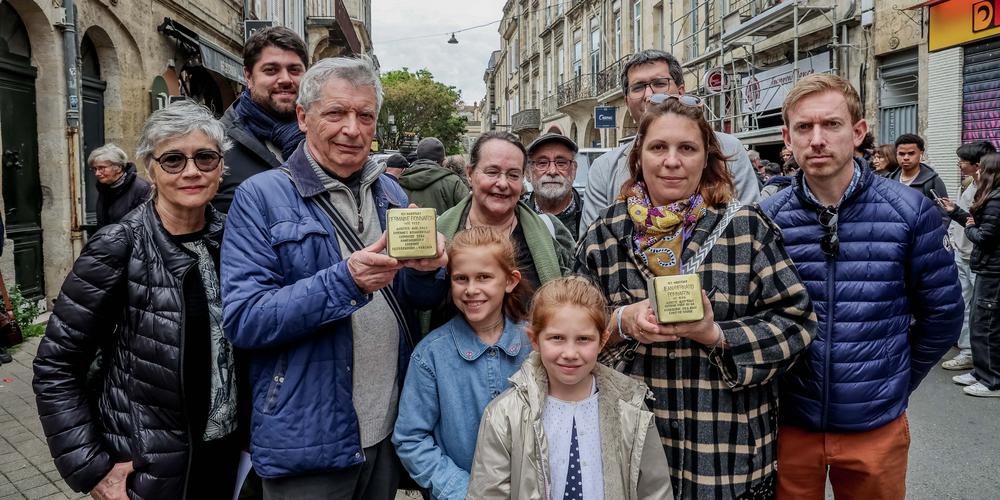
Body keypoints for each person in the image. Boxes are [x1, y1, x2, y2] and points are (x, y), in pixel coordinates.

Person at [221, 55, 448, 499]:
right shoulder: (261, 196)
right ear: (304, 117)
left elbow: (411, 300)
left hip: (384, 427)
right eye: (336, 113)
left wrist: (428, 272)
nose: (353, 129)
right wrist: (346, 281)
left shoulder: (391, 193)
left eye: (365, 116)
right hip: (307, 437)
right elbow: (245, 319)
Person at [576, 95, 815, 499]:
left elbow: (796, 323)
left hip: (724, 454)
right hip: (630, 450)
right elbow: (569, 328)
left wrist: (716, 335)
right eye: (658, 147)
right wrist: (621, 322)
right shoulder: (605, 234)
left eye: (687, 148)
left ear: (706, 158)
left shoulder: (745, 229)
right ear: (639, 157)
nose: (672, 161)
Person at [760, 74, 963, 499]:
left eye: (831, 125)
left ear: (857, 132)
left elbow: (942, 315)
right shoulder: (765, 218)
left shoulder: (909, 211)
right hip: (789, 422)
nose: (817, 139)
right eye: (804, 127)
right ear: (787, 138)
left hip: (876, 426)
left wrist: (897, 379)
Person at [34, 102, 243, 499]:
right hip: (150, 467)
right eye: (173, 159)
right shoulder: (119, 245)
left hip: (227, 458)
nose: (192, 171)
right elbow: (56, 365)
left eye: (205, 157)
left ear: (220, 166)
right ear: (150, 168)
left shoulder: (233, 238)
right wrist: (91, 468)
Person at [467, 277, 673, 499]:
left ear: (602, 340)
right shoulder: (505, 414)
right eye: (557, 338)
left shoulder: (631, 409)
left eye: (583, 339)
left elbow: (655, 492)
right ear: (534, 339)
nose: (570, 353)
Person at [393, 226, 533, 499]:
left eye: (484, 277)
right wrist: (463, 491)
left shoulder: (534, 346)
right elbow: (411, 439)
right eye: (461, 279)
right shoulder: (431, 356)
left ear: (510, 281)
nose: (471, 289)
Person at [580, 49, 760, 238]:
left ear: (681, 92)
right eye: (638, 87)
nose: (648, 95)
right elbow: (593, 247)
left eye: (659, 83)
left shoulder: (729, 149)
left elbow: (748, 230)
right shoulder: (604, 168)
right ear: (626, 101)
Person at [438, 131, 574, 293]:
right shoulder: (440, 234)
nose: (502, 183)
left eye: (513, 175)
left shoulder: (551, 232)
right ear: (469, 174)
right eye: (492, 172)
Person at [213, 26, 308, 213]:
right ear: (248, 77)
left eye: (294, 70)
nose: (285, 79)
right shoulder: (216, 145)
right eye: (271, 70)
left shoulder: (324, 138)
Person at [937, 141, 996, 372]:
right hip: (962, 252)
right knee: (965, 305)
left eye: (963, 160)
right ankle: (969, 352)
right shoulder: (969, 184)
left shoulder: (990, 190)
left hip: (979, 258)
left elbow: (983, 229)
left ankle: (983, 365)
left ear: (978, 164)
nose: (959, 164)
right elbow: (966, 220)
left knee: (983, 314)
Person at [951, 152, 1000, 397]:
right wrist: (955, 212)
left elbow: (984, 237)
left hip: (993, 270)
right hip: (986, 268)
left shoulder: (995, 201)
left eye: (982, 168)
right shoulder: (989, 197)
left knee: (987, 325)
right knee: (979, 321)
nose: (977, 172)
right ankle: (980, 372)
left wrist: (969, 227)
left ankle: (992, 380)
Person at [524, 133, 584, 237]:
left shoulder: (592, 215)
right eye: (542, 163)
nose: (552, 171)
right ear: (528, 173)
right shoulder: (515, 218)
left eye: (561, 163)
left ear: (574, 170)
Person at [889, 133, 951, 228]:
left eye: (911, 153)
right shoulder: (889, 180)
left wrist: (933, 236)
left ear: (921, 153)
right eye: (901, 154)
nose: (906, 157)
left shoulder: (932, 181)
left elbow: (944, 214)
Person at [398, 137, 470, 215]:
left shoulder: (398, 181)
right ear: (443, 159)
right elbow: (469, 211)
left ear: (418, 156)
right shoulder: (453, 182)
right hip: (444, 227)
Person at [88, 143, 152, 228]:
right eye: (94, 169)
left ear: (118, 167)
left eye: (101, 168)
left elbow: (144, 226)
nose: (97, 173)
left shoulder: (141, 189)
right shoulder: (104, 187)